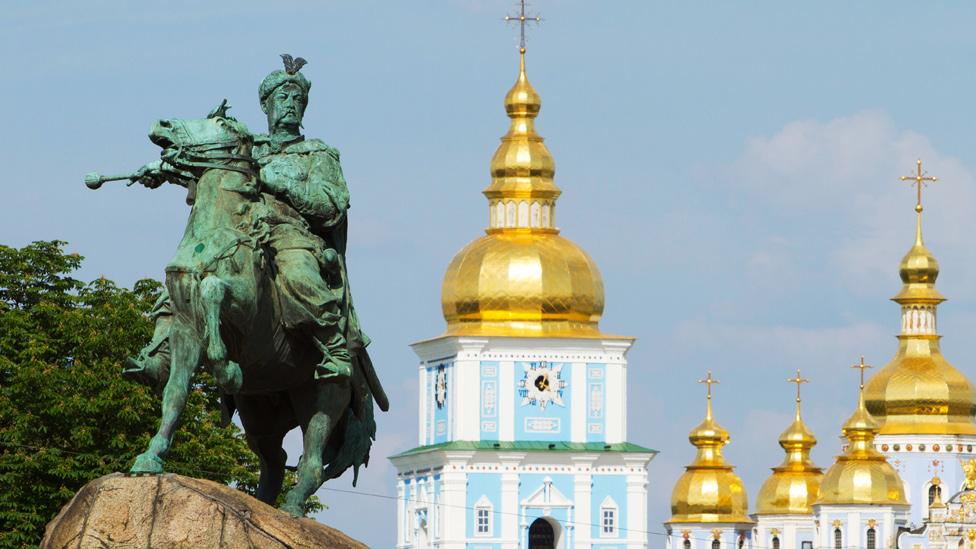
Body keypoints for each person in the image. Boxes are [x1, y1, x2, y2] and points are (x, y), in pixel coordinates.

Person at [126, 54, 366, 389]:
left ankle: (334, 347)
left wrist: (279, 183)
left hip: (290, 235)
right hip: (241, 232)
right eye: (281, 98)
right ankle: (163, 353)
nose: (290, 105)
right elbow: (207, 166)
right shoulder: (249, 147)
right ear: (266, 106)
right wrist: (163, 170)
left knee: (298, 276)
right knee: (186, 277)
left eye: (297, 99)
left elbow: (331, 207)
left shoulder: (317, 154)